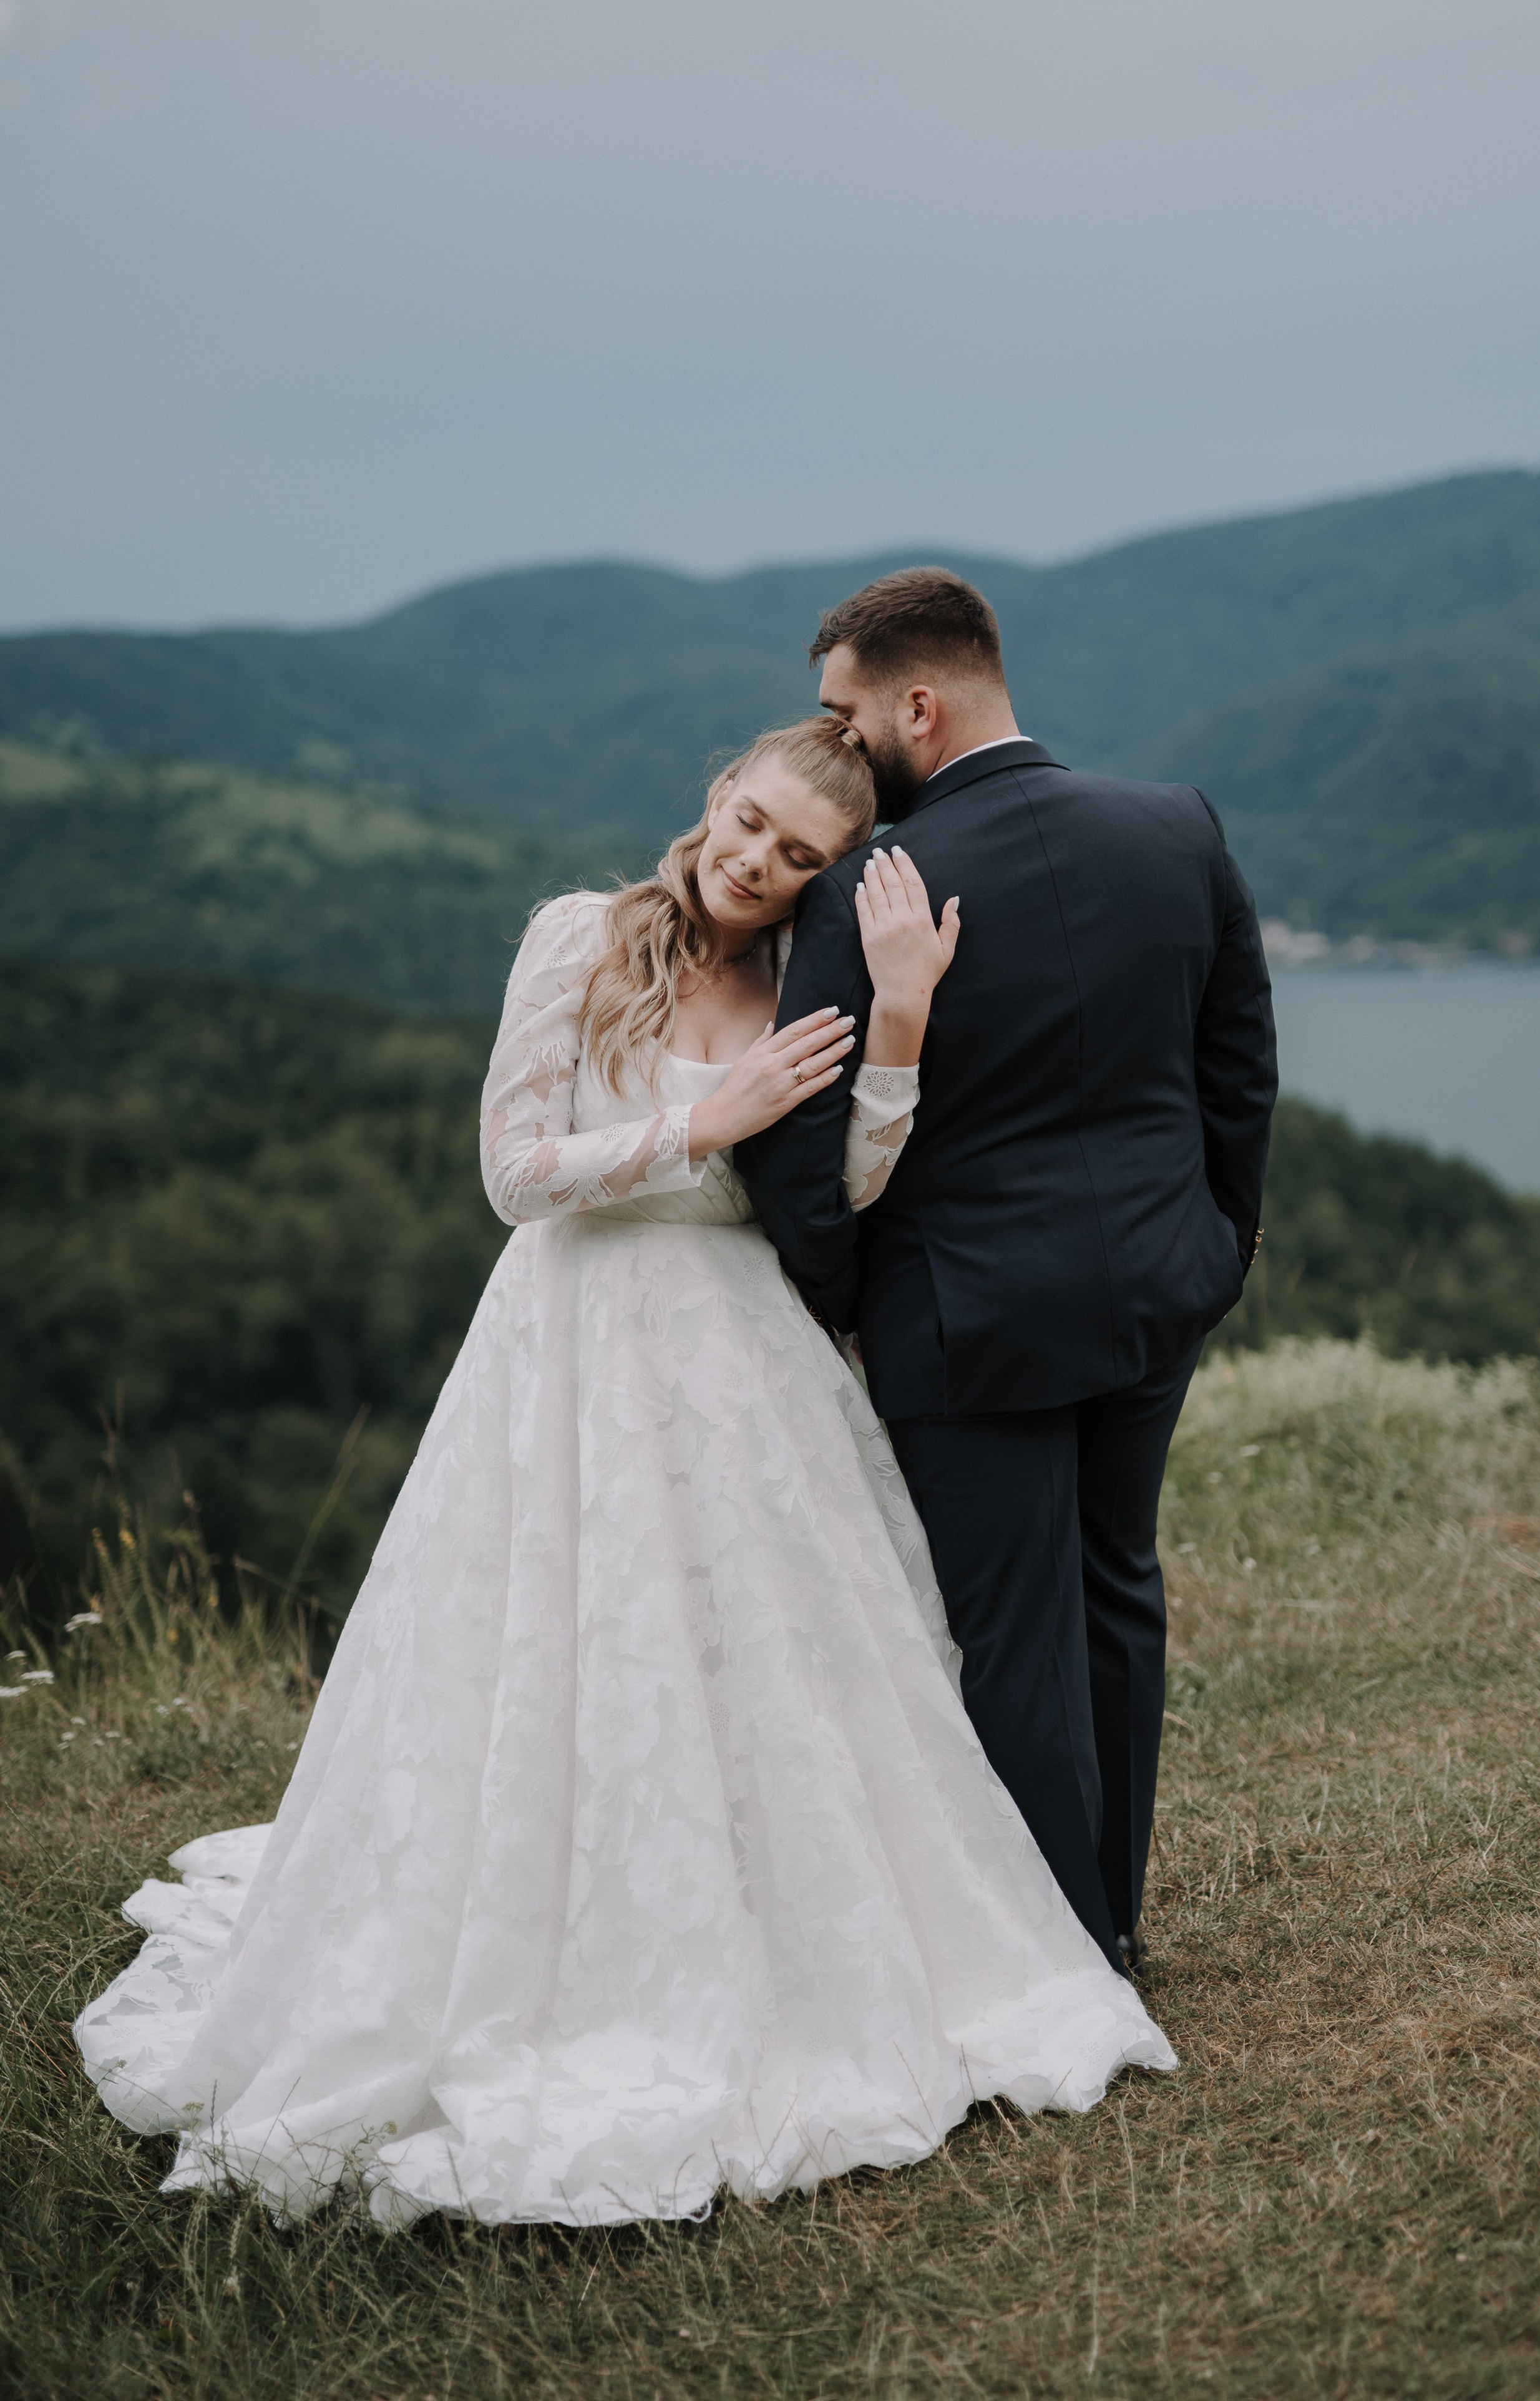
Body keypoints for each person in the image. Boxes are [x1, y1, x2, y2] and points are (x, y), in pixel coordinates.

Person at [76, 714, 1172, 2230]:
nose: (755, 863)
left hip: (744, 1361)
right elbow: (512, 1172)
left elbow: (837, 1191)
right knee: (551, 1649)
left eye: (796, 856)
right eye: (749, 826)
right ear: (716, 796)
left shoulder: (809, 976)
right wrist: (695, 1120)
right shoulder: (577, 937)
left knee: (766, 1671)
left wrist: (902, 1018)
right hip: (569, 1350)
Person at [739, 573, 1278, 1975]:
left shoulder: (868, 884)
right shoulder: (1175, 826)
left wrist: (843, 1296)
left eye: (843, 717)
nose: (838, 746)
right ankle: (1105, 1919)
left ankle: (1053, 1968)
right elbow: (1237, 1066)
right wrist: (1217, 1244)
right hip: (1154, 1291)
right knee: (1117, 1592)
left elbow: (801, 1137)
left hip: (958, 1316)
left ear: (917, 704)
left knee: (1012, 1633)